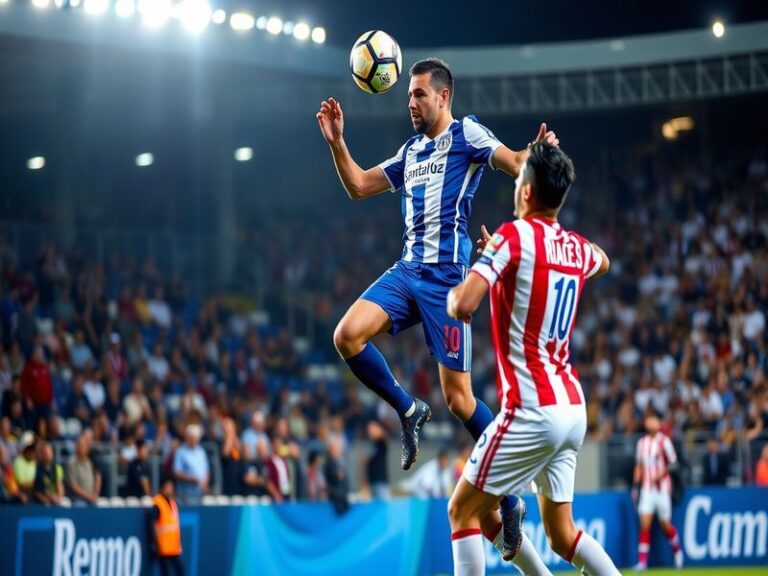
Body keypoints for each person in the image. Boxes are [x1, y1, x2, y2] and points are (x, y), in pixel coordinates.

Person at [317, 57, 557, 557]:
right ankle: (408, 409)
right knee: (345, 336)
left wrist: (540, 157)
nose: (411, 102)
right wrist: (338, 142)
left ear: (444, 96)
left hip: (447, 283)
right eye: (408, 96)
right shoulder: (409, 152)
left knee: (462, 401)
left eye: (420, 95)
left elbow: (514, 163)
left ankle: (511, 490)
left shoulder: (468, 135)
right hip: (407, 273)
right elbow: (359, 186)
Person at [446, 142, 620, 575]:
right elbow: (603, 261)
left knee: (462, 512)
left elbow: (463, 304)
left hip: (532, 408)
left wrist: (486, 262)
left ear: (525, 192)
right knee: (562, 535)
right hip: (571, 409)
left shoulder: (511, 237)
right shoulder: (577, 248)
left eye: (520, 177)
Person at [632, 414, 684, 570]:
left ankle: (677, 552)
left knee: (665, 525)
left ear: (658, 423)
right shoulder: (641, 443)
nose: (650, 422)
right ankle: (642, 562)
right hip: (647, 490)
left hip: (662, 490)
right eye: (648, 419)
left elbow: (673, 463)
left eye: (653, 419)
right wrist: (635, 487)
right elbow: (639, 466)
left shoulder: (664, 441)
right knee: (644, 525)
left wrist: (660, 474)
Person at [151, 477, 184, 576]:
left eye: (171, 486)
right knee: (165, 573)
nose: (170, 489)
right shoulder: (158, 502)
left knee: (180, 570)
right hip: (163, 547)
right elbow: (154, 524)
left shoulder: (174, 503)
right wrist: (157, 543)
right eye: (167, 486)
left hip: (174, 547)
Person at [173, 423, 209, 503]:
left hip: (199, 494)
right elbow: (177, 472)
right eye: (192, 438)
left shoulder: (201, 451)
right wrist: (190, 479)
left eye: (196, 438)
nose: (194, 440)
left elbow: (206, 470)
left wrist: (205, 483)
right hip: (185, 495)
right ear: (187, 438)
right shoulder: (181, 452)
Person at [67, 432, 101, 505]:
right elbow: (73, 486)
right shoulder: (72, 462)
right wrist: (88, 496)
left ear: (87, 448)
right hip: (77, 498)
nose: (80, 448)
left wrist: (94, 494)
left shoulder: (90, 461)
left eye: (83, 446)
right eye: (79, 445)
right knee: (80, 505)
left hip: (91, 497)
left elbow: (98, 476)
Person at [33, 441, 63, 506]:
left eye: (49, 452)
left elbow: (60, 485)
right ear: (42, 454)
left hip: (55, 498)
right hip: (42, 499)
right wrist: (46, 499)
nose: (48, 454)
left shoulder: (57, 468)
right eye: (46, 452)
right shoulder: (37, 469)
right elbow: (35, 491)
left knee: (65, 503)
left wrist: (58, 497)